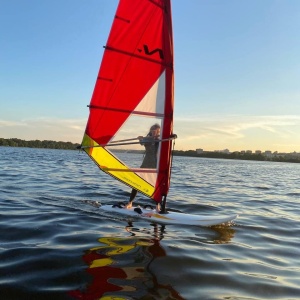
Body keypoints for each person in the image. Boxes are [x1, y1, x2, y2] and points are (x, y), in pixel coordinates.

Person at [126, 123, 161, 212]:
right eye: (152, 131)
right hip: (146, 164)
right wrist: (140, 139)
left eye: (156, 131)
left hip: (156, 165)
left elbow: (165, 142)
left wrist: (172, 136)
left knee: (156, 185)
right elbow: (142, 143)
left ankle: (158, 205)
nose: (153, 133)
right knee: (136, 183)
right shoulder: (147, 139)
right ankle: (130, 202)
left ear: (159, 132)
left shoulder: (162, 139)